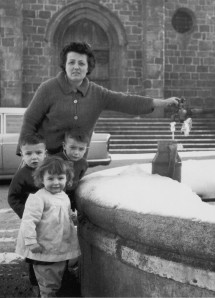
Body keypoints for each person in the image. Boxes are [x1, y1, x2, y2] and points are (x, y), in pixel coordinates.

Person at [17, 41, 179, 155]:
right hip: (45, 162)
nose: (76, 67)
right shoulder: (47, 89)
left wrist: (162, 103)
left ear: (88, 68)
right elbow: (30, 120)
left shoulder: (97, 94)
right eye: (71, 62)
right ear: (64, 65)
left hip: (74, 164)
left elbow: (126, 101)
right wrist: (26, 155)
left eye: (81, 63)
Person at [15, 156, 80, 298]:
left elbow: (62, 214)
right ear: (41, 179)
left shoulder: (63, 196)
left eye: (60, 178)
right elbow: (28, 221)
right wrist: (31, 241)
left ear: (67, 178)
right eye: (50, 179)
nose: (56, 182)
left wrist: (71, 217)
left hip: (58, 245)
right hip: (43, 247)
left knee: (56, 276)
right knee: (47, 281)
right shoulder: (39, 198)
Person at [8, 134, 47, 295]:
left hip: (50, 221)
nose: (34, 157)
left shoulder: (50, 169)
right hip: (32, 223)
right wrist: (27, 215)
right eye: (29, 154)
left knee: (51, 249)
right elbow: (12, 197)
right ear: (22, 155)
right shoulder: (22, 175)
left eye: (38, 152)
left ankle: (53, 279)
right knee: (33, 255)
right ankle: (35, 284)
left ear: (45, 153)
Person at [55, 129, 89, 210]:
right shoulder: (55, 160)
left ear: (86, 149)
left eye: (81, 149)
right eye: (72, 148)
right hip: (55, 194)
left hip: (72, 194)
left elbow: (79, 177)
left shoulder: (83, 163)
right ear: (64, 146)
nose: (76, 153)